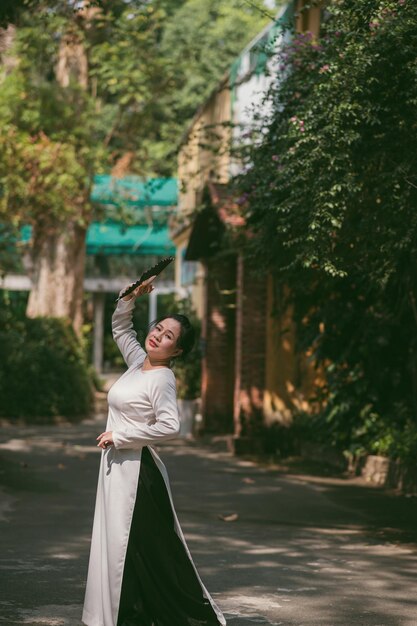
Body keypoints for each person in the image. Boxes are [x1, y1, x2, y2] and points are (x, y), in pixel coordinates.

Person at [82, 277, 226, 626]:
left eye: (167, 337)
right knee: (121, 545)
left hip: (137, 475)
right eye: (158, 328)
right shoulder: (137, 363)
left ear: (176, 351)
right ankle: (125, 613)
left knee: (141, 548)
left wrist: (121, 435)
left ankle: (150, 614)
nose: (157, 336)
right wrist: (130, 298)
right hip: (119, 467)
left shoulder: (162, 377)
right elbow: (120, 328)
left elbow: (170, 425)